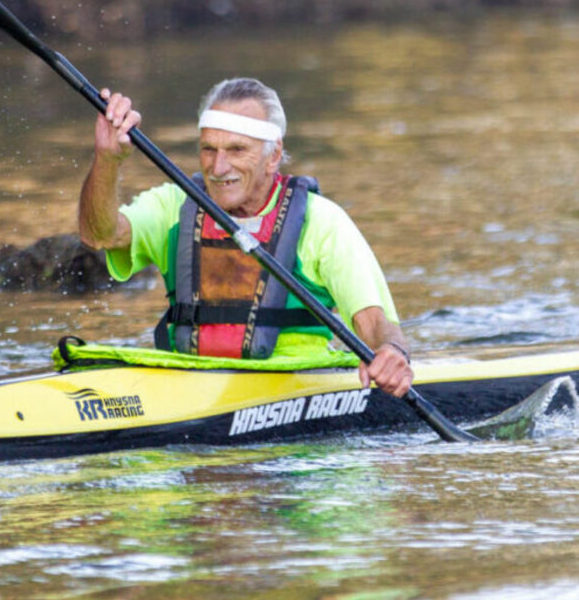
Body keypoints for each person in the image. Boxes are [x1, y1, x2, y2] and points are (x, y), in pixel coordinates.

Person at [78, 77, 413, 397]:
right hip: (190, 386)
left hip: (296, 387)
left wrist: (390, 353)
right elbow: (99, 235)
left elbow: (375, 324)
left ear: (273, 156)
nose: (218, 167)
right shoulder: (174, 206)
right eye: (209, 149)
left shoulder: (322, 222)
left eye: (237, 150)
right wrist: (107, 159)